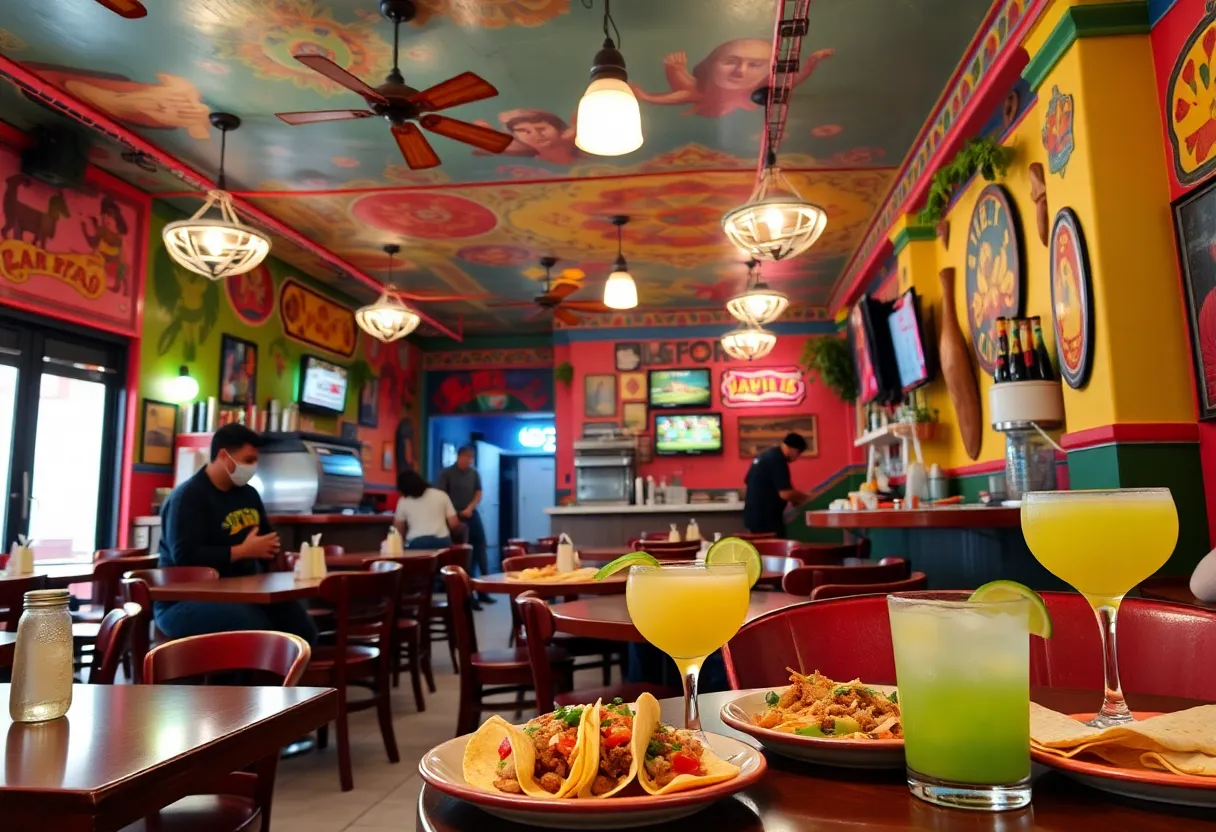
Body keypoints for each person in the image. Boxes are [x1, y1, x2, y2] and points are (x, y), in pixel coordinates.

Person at [155, 423, 317, 645]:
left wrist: (281, 555)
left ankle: (289, 679)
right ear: (224, 455)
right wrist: (242, 551)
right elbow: (185, 557)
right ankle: (242, 680)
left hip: (245, 593)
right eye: (248, 460)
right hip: (183, 602)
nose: (253, 467)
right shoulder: (188, 498)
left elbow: (266, 540)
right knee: (254, 628)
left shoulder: (249, 495)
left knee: (300, 628)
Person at [437, 445, 495, 606]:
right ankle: (468, 594)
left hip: (471, 514)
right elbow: (442, 495)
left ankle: (484, 590)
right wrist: (453, 513)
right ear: (459, 456)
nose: (469, 460)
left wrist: (470, 508)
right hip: (454, 516)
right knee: (464, 554)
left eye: (472, 457)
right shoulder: (447, 473)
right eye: (467, 457)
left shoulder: (474, 473)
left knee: (481, 548)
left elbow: (478, 492)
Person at [742, 432, 810, 537]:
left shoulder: (763, 456)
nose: (797, 458)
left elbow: (747, 481)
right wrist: (806, 497)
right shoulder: (778, 460)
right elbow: (785, 493)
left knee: (759, 551)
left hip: (752, 518)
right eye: (798, 454)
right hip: (767, 521)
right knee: (775, 551)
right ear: (794, 450)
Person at [393, 469, 460, 549]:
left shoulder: (403, 501)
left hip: (417, 544)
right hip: (443, 542)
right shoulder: (441, 495)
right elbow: (454, 524)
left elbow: (398, 530)